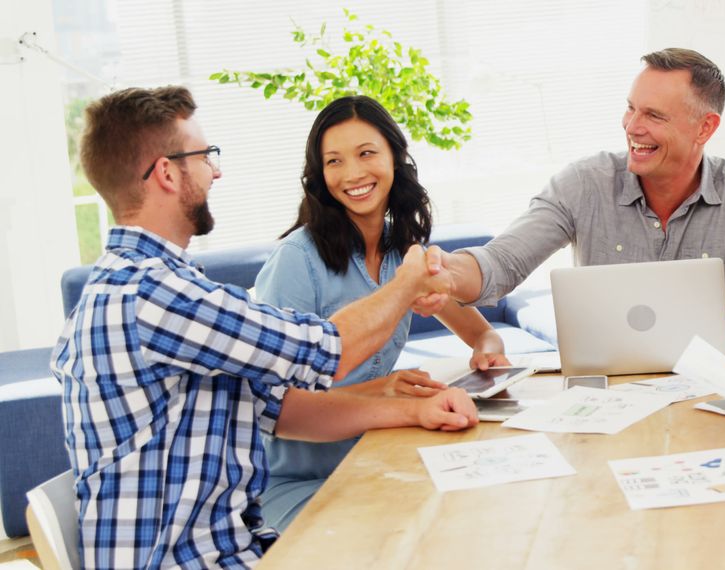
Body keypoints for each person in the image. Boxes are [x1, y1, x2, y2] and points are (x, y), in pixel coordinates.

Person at [50, 86, 479, 569]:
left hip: (233, 541)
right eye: (205, 156)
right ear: (167, 173)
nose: (217, 170)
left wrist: (412, 412)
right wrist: (404, 285)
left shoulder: (156, 286)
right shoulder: (153, 296)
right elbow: (323, 351)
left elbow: (281, 410)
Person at [424, 48, 725, 345]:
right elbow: (501, 262)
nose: (632, 126)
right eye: (631, 109)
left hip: (707, 383)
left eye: (654, 116)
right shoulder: (584, 182)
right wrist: (447, 272)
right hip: (607, 390)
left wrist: (666, 335)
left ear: (705, 128)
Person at [254, 95, 510, 530]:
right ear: (320, 175)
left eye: (367, 153)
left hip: (378, 455)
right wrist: (381, 389)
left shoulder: (402, 254)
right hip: (295, 480)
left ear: (395, 157)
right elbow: (274, 404)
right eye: (334, 161)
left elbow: (479, 331)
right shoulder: (297, 260)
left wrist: (489, 351)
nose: (352, 173)